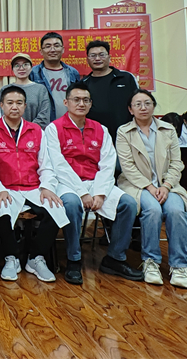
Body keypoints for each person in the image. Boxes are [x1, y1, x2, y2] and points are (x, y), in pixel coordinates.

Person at [45, 82, 143, 285]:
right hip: (67, 184)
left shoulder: (100, 129)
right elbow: (58, 165)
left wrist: (99, 193)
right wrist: (82, 193)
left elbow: (108, 164)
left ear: (90, 104)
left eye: (85, 100)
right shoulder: (54, 129)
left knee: (128, 204)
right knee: (71, 204)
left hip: (96, 183)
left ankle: (115, 258)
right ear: (66, 102)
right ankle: (74, 259)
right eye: (76, 99)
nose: (81, 104)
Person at [0, 85, 69, 283]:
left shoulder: (36, 130)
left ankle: (36, 258)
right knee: (0, 208)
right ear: (1, 105)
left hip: (33, 187)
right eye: (10, 103)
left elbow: (46, 165)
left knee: (56, 207)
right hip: (5, 187)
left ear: (25, 106)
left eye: (19, 103)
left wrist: (47, 187)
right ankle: (11, 257)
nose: (14, 107)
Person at [116, 89, 187, 289]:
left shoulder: (168, 129)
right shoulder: (124, 132)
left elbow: (177, 163)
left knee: (177, 211)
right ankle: (151, 261)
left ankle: (179, 266)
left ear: (154, 106)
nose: (143, 107)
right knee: (152, 210)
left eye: (147, 103)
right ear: (130, 109)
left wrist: (167, 185)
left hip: (168, 185)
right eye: (137, 104)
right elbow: (127, 167)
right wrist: (150, 187)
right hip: (138, 185)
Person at [82, 40, 139, 143]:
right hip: (95, 138)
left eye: (102, 55)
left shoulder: (126, 78)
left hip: (127, 136)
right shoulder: (83, 84)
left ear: (109, 57)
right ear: (87, 59)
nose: (97, 59)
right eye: (93, 55)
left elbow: (138, 103)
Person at [29, 32, 81, 121]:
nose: (52, 50)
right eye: (48, 46)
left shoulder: (72, 73)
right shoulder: (33, 73)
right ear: (41, 51)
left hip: (69, 123)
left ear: (63, 49)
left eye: (56, 46)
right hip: (42, 124)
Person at [0, 53, 51, 129]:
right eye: (17, 65)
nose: (21, 68)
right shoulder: (5, 89)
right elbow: (1, 114)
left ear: (31, 67)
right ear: (12, 69)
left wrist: (27, 130)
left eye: (25, 64)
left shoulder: (40, 89)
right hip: (10, 132)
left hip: (34, 132)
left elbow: (44, 116)